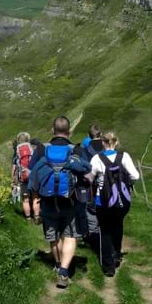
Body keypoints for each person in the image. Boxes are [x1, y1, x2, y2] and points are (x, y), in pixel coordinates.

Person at [29, 116, 91, 289]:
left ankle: (57, 265)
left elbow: (32, 170)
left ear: (52, 130)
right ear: (69, 131)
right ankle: (64, 271)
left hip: (47, 201)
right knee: (70, 235)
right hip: (70, 201)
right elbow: (85, 172)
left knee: (54, 236)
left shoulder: (42, 148)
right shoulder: (76, 150)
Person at [89, 131, 140, 277]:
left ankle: (108, 266)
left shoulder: (96, 158)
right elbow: (135, 175)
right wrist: (125, 183)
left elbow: (90, 179)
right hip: (121, 200)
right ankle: (117, 255)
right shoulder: (124, 156)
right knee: (118, 226)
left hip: (102, 201)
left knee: (104, 230)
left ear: (103, 143)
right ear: (116, 142)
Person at [77, 124, 104, 241]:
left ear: (88, 136)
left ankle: (93, 234)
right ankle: (104, 232)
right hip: (105, 183)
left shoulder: (85, 150)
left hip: (91, 183)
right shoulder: (106, 147)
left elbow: (83, 167)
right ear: (101, 134)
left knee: (91, 209)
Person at [11, 132, 40, 222]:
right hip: (33, 176)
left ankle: (28, 218)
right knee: (35, 197)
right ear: (28, 139)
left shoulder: (17, 151)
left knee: (25, 199)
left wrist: (12, 178)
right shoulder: (32, 149)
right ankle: (36, 217)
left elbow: (14, 166)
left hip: (23, 178)